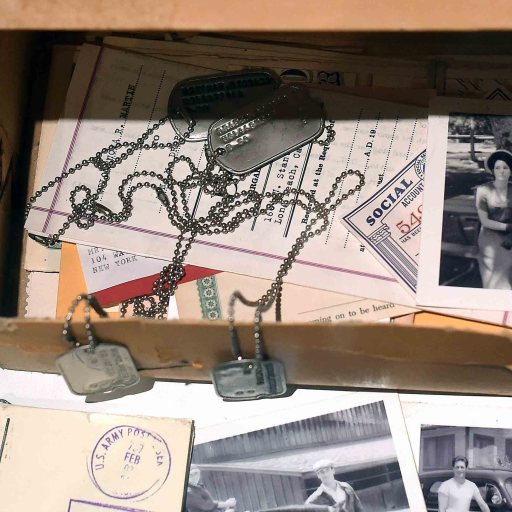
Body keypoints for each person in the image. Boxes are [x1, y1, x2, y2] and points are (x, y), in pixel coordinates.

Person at [475, 149, 512, 289]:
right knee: (499, 265)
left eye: (505, 168)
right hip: (490, 236)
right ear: (492, 171)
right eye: (497, 168)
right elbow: (484, 221)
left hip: (510, 235)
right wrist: (508, 227)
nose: (501, 171)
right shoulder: (483, 190)